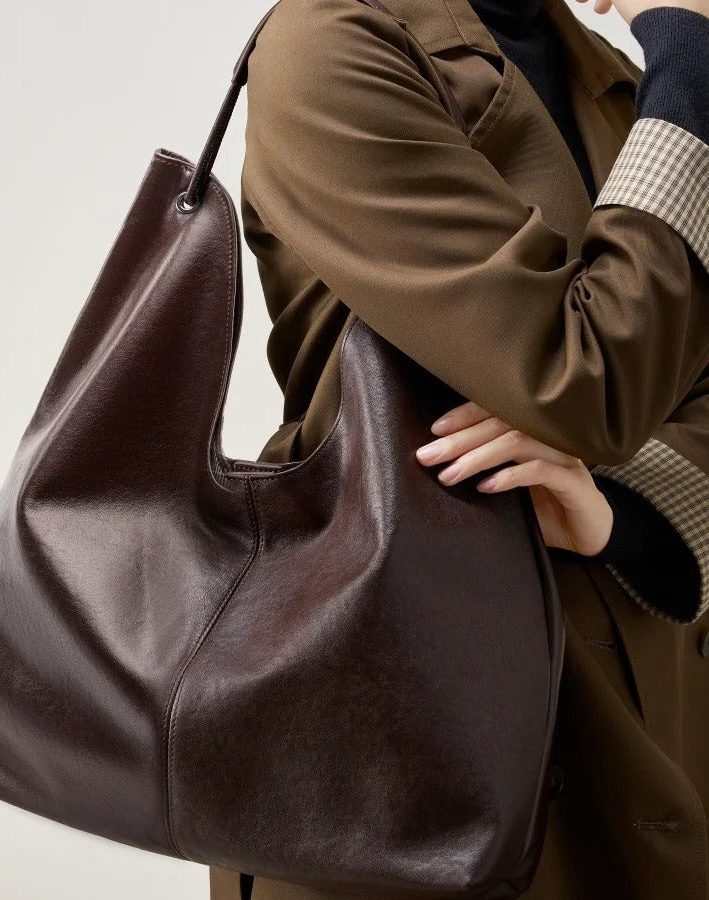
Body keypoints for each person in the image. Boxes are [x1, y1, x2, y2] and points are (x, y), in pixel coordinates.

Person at [208, 0, 709, 897]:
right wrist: (693, 46)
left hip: (640, 739)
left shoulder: (622, 81)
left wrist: (615, 507)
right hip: (402, 751)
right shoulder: (329, 46)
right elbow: (582, 378)